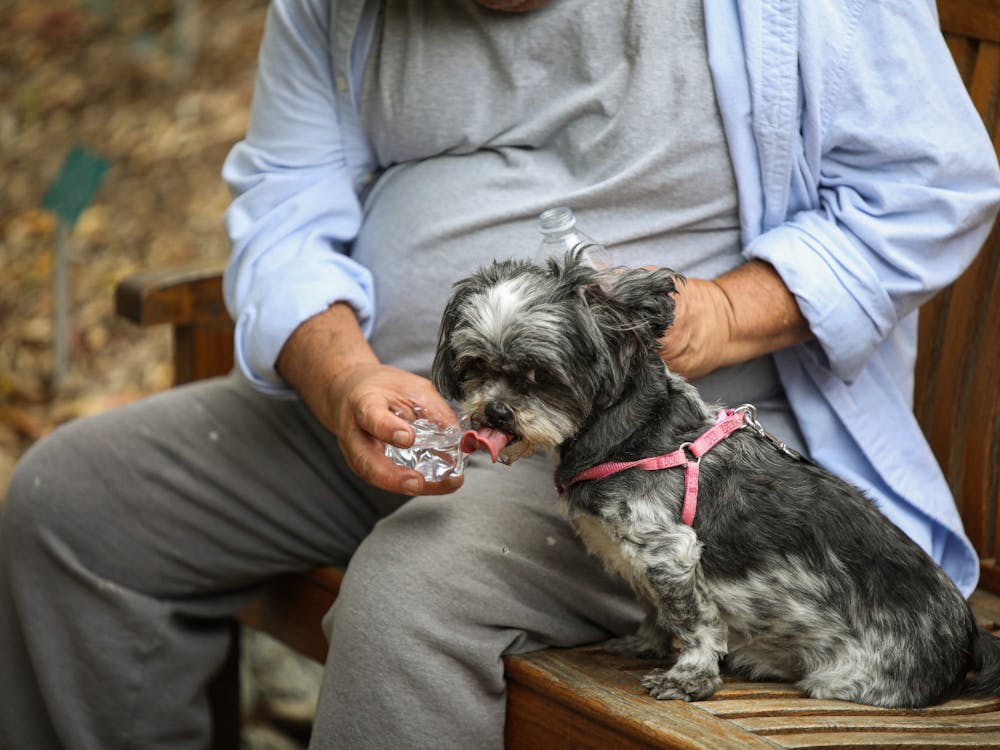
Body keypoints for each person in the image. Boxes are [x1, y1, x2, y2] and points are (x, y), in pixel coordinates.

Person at [2, 0, 999, 747]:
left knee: (408, 600)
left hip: (660, 452)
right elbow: (285, 203)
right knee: (74, 504)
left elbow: (932, 182)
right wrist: (338, 373)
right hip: (397, 412)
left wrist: (731, 309)